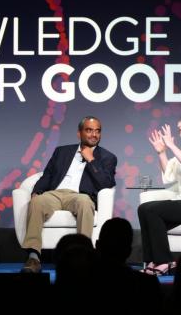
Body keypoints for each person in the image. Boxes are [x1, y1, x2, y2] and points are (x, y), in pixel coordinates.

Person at [21, 116, 117, 273]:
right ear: (79, 133)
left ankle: (84, 257)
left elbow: (106, 184)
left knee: (85, 203)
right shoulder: (62, 151)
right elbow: (48, 175)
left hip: (80, 196)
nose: (94, 134)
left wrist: (91, 160)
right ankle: (33, 257)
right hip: (55, 194)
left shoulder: (108, 157)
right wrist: (37, 192)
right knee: (37, 202)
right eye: (89, 130)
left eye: (97, 131)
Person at [138, 121, 181, 275]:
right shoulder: (178, 156)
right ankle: (152, 260)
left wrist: (171, 145)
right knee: (144, 208)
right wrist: (162, 153)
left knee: (153, 211)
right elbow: (169, 178)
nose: (180, 132)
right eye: (179, 130)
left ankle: (164, 261)